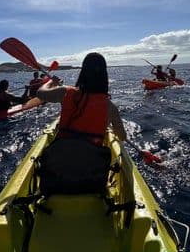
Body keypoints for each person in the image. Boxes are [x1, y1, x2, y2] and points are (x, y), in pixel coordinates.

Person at [36, 52, 126, 195]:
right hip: (91, 181)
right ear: (104, 76)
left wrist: (51, 82)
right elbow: (121, 136)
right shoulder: (110, 107)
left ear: (83, 72)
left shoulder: (66, 92)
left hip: (56, 176)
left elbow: (40, 93)